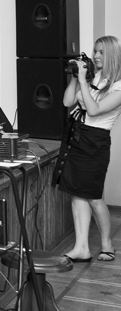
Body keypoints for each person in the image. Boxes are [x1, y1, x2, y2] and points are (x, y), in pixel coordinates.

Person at [58, 36, 121, 263]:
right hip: (77, 137)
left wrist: (84, 82)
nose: (95, 56)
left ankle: (106, 244)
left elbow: (94, 110)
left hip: (96, 143)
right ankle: (81, 247)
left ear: (112, 55)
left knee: (93, 197)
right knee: (77, 193)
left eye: (101, 52)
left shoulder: (118, 86)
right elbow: (67, 102)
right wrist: (76, 78)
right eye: (95, 51)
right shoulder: (91, 77)